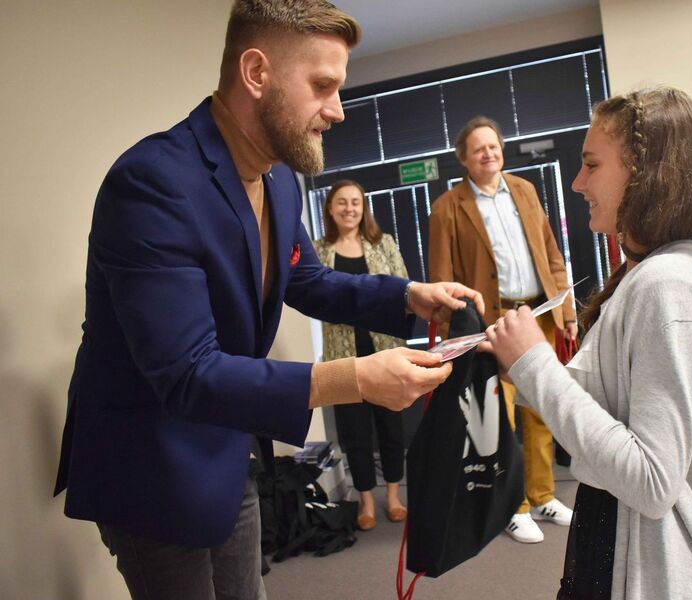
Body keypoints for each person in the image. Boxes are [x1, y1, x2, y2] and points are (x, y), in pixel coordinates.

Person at [52, 2, 483, 599]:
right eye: (323, 86)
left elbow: (308, 280)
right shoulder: (151, 183)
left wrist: (411, 297)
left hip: (230, 449)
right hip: (151, 464)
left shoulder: (280, 180)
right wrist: (353, 379)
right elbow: (186, 371)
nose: (337, 110)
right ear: (257, 73)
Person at [484, 87, 692, 599]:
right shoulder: (646, 278)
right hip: (618, 545)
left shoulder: (667, 288)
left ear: (649, 175)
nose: (578, 182)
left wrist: (536, 366)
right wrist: (521, 362)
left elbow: (650, 480)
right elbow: (616, 414)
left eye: (592, 165)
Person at [429, 116, 576, 544]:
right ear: (463, 159)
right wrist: (461, 333)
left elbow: (552, 253)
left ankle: (543, 495)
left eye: (493, 146)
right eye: (479, 149)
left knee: (541, 409)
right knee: (502, 420)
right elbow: (441, 279)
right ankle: (514, 506)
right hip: (492, 325)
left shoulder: (525, 191)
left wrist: (566, 310)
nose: (488, 154)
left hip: (539, 317)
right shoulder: (446, 208)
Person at [312, 180, 409, 530]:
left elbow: (404, 288)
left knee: (391, 429)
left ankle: (394, 496)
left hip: (385, 352)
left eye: (355, 202)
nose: (349, 208)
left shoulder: (383, 244)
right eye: (342, 202)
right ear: (330, 208)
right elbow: (313, 296)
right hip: (344, 358)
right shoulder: (319, 249)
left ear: (363, 207)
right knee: (354, 433)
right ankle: (366, 500)